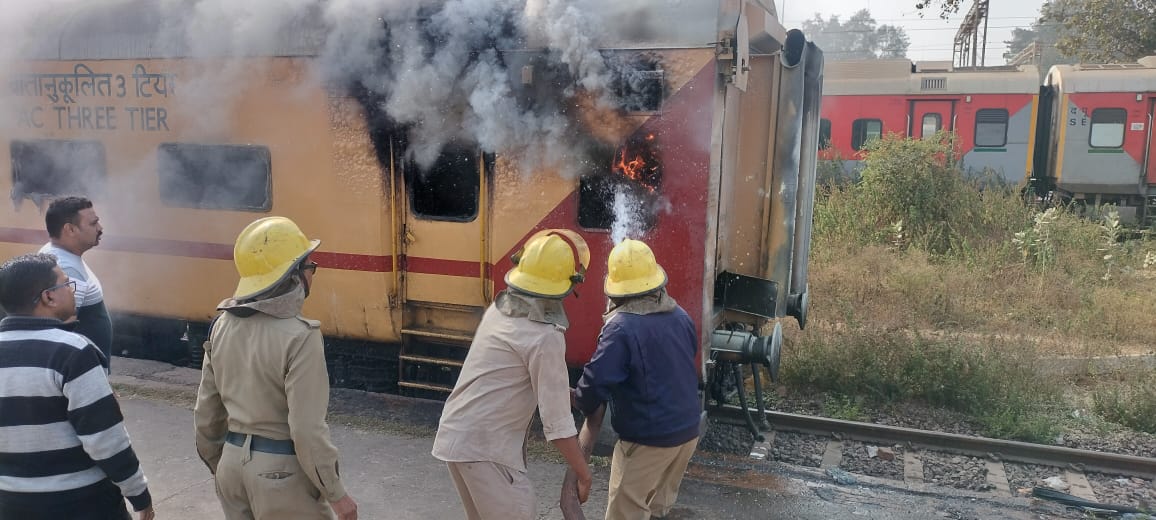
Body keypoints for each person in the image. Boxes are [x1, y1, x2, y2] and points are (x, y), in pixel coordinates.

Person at [194, 216, 357, 520]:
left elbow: (206, 415)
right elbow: (307, 429)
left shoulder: (221, 326)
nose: (312, 274)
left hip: (230, 468)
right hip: (282, 476)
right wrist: (337, 493)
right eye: (310, 267)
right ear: (293, 275)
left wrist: (223, 465)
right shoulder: (301, 336)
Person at [432, 229, 594, 520]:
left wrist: (557, 393)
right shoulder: (547, 336)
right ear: (567, 286)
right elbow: (557, 427)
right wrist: (584, 475)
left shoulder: (499, 311)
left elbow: (505, 374)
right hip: (487, 449)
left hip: (459, 437)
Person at [0, 253, 154, 520]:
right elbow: (105, 439)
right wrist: (139, 495)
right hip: (82, 503)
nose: (72, 292)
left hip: (10, 503)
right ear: (49, 297)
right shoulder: (73, 352)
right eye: (67, 285)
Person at [572, 239, 701, 520]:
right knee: (657, 509)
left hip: (649, 440)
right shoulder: (680, 315)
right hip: (687, 433)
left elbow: (595, 383)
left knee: (626, 513)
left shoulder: (621, 327)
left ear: (616, 289)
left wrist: (580, 398)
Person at [39, 196, 113, 370]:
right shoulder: (66, 270)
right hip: (82, 373)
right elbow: (64, 329)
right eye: (93, 224)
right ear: (70, 229)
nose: (100, 228)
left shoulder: (57, 254)